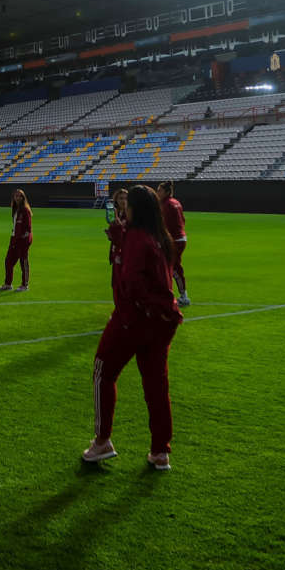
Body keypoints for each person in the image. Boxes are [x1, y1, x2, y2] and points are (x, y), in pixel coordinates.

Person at [82, 185, 180, 469]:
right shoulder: (160, 237)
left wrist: (133, 312)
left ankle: (102, 441)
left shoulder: (136, 237)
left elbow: (133, 282)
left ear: (135, 208)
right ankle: (160, 451)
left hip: (134, 319)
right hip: (163, 322)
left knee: (103, 370)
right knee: (156, 386)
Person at [157, 181, 190, 306]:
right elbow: (183, 220)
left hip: (173, 240)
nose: (157, 193)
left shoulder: (166, 205)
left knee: (173, 268)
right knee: (171, 266)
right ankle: (172, 294)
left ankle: (183, 296)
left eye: (159, 190)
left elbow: (163, 224)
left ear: (166, 192)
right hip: (180, 238)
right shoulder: (176, 202)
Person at [0, 188, 33, 292]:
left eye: (19, 196)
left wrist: (24, 241)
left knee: (23, 262)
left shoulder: (25, 210)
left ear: (23, 198)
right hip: (14, 239)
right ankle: (8, 284)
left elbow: (28, 228)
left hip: (22, 241)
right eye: (16, 196)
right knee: (8, 261)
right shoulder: (15, 209)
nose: (17, 198)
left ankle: (24, 285)